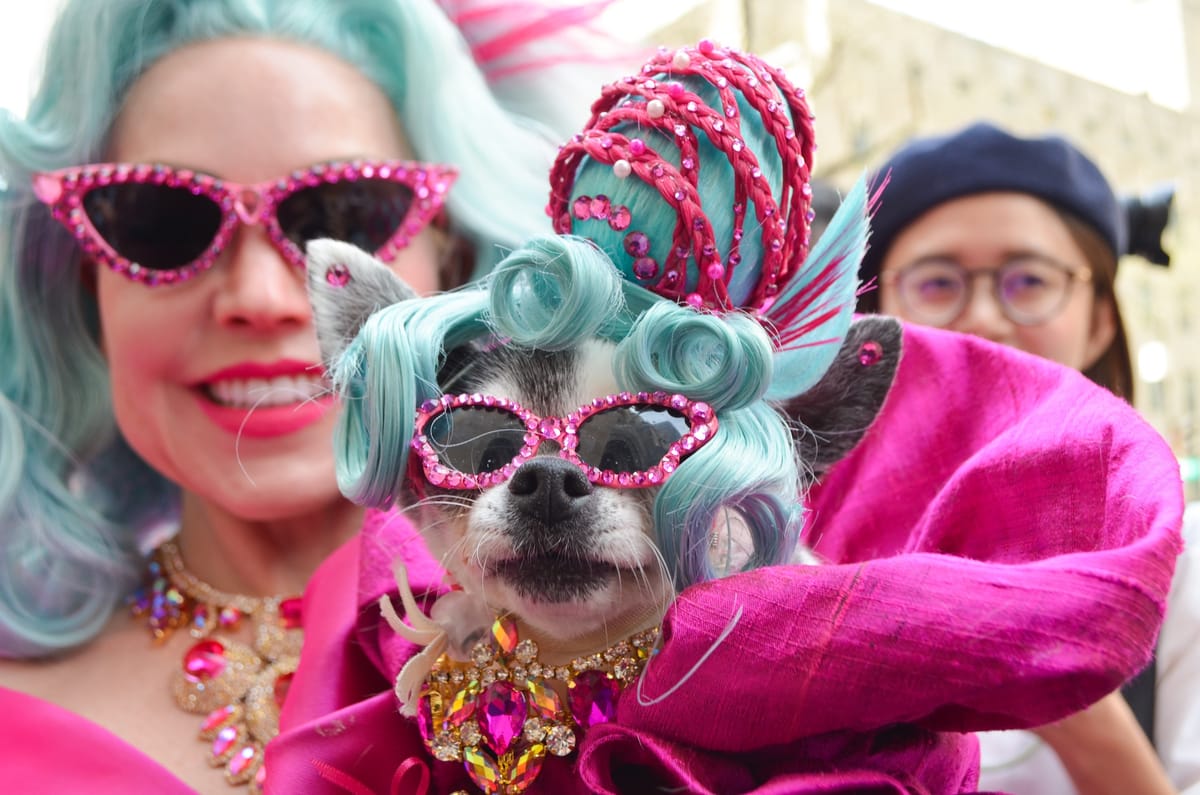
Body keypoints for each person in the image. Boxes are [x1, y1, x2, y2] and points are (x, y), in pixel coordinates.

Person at [266, 43, 1183, 794]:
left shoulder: (852, 743)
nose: (553, 476)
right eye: (483, 441)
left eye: (640, 445)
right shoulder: (380, 680)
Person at [0, 1, 623, 792]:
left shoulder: (651, 641)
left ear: (455, 257)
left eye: (342, 213)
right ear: (87, 286)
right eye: (162, 221)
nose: (260, 296)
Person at [856, 120, 1200, 795]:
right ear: (876, 317)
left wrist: (1073, 704)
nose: (983, 317)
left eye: (1029, 279)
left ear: (1100, 317)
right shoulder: (795, 550)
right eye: (935, 282)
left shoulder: (1184, 563)